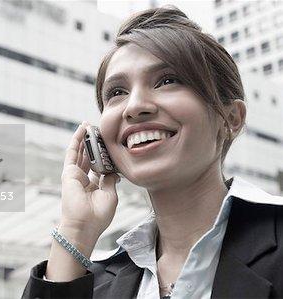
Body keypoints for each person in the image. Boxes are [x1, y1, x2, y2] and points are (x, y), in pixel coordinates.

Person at [22, 6, 283, 299]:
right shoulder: (92, 282)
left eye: (167, 81)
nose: (134, 106)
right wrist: (75, 231)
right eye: (117, 92)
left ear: (231, 119)